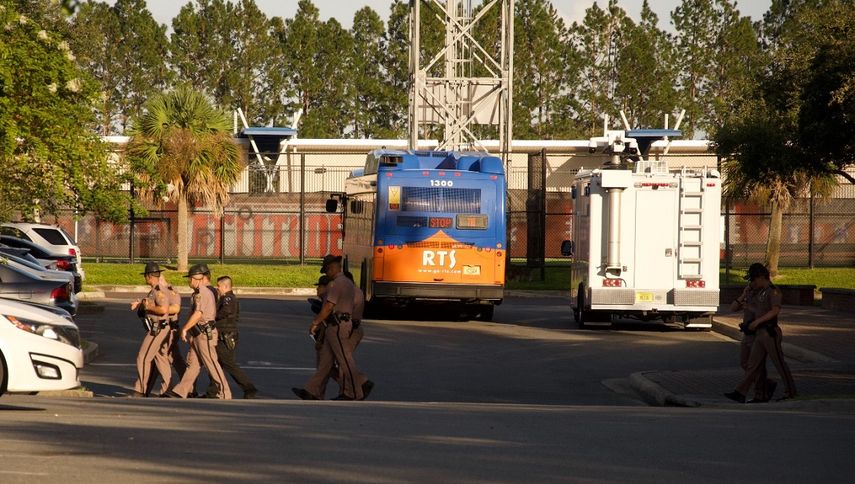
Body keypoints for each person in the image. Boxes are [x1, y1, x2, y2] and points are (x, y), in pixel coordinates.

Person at [293, 255, 372, 401]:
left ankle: (355, 391)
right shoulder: (348, 283)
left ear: (332, 268)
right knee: (326, 361)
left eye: (327, 270)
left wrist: (315, 323)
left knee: (344, 360)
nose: (327, 274)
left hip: (337, 325)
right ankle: (312, 391)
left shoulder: (337, 284)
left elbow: (329, 306)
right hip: (342, 324)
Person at [725, 263, 798, 403]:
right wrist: (744, 295)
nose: (751, 283)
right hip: (757, 333)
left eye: (753, 279)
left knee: (779, 363)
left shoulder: (772, 291)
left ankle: (791, 392)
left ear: (761, 277)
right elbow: (733, 308)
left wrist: (757, 321)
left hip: (769, 331)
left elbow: (775, 310)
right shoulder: (754, 292)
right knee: (752, 365)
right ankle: (741, 392)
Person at [165, 264, 232, 399]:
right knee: (193, 365)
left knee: (211, 364)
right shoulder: (197, 293)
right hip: (198, 334)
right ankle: (181, 391)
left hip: (204, 334)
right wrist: (190, 333)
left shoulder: (202, 293)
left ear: (196, 279)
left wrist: (185, 329)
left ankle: (225, 393)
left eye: (190, 278)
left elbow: (198, 314)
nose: (188, 281)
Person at [203, 276, 259, 399]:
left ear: (226, 286)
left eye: (219, 286)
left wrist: (212, 316)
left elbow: (226, 312)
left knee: (228, 364)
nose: (217, 288)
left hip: (226, 335)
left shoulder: (228, 298)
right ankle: (212, 391)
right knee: (218, 364)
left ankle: (249, 388)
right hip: (223, 334)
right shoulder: (224, 298)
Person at [130, 262, 172, 397]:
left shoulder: (159, 291)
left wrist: (149, 308)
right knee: (160, 359)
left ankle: (140, 390)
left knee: (142, 358)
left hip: (158, 328)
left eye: (145, 276)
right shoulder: (154, 290)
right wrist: (141, 304)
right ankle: (167, 390)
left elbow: (163, 309)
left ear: (149, 276)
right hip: (158, 327)